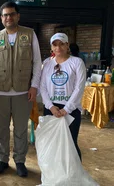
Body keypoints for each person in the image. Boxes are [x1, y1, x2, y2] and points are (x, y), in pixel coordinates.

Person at [0, 1, 42, 177]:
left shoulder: (30, 34)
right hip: (0, 92)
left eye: (11, 14)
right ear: (1, 18)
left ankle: (20, 161)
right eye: (5, 15)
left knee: (20, 130)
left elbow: (37, 63)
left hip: (22, 91)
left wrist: (34, 86)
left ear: (17, 16)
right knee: (1, 129)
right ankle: (2, 159)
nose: (8, 17)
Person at [40, 33, 86, 161]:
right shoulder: (47, 64)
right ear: (51, 47)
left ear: (67, 46)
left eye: (61, 44)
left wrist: (67, 109)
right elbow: (42, 87)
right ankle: (55, 175)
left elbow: (79, 88)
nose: (58, 47)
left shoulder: (77, 62)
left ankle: (74, 176)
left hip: (71, 109)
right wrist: (50, 106)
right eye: (55, 44)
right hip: (52, 108)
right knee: (52, 143)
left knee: (70, 143)